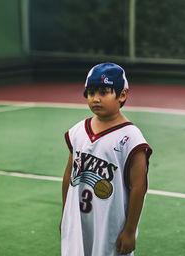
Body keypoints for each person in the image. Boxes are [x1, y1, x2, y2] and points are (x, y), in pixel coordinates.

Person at [60, 62, 152, 256]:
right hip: (77, 221)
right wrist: (65, 214)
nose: (96, 98)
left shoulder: (131, 137)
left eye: (103, 92)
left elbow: (138, 187)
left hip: (110, 225)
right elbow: (69, 173)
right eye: (91, 93)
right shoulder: (78, 130)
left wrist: (129, 231)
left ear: (122, 95)